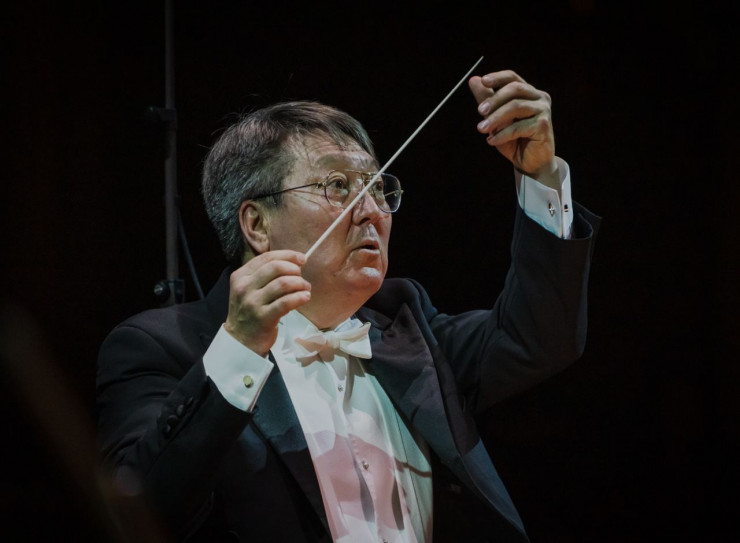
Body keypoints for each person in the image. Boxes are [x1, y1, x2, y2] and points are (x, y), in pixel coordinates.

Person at [97, 69, 600, 543]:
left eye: (377, 187)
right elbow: (144, 515)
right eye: (338, 186)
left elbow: (539, 337)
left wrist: (541, 175)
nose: (372, 211)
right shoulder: (162, 348)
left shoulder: (409, 326)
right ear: (257, 224)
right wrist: (240, 349)